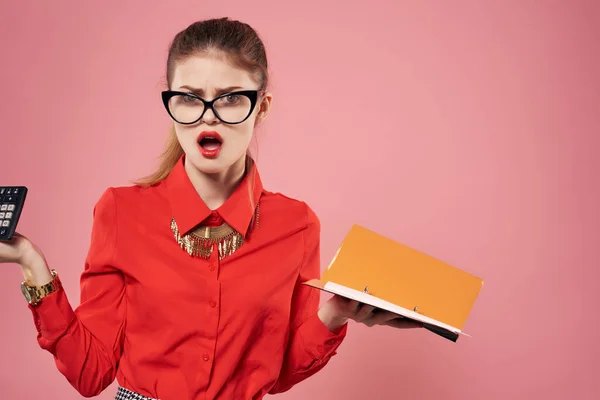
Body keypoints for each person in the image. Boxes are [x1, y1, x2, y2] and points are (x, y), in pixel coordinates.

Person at [1, 17, 422, 400]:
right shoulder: (120, 212)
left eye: (230, 98)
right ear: (170, 105)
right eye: (189, 98)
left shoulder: (296, 225)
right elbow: (90, 373)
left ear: (262, 107)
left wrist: (334, 314)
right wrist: (30, 262)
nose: (208, 117)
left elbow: (275, 373)